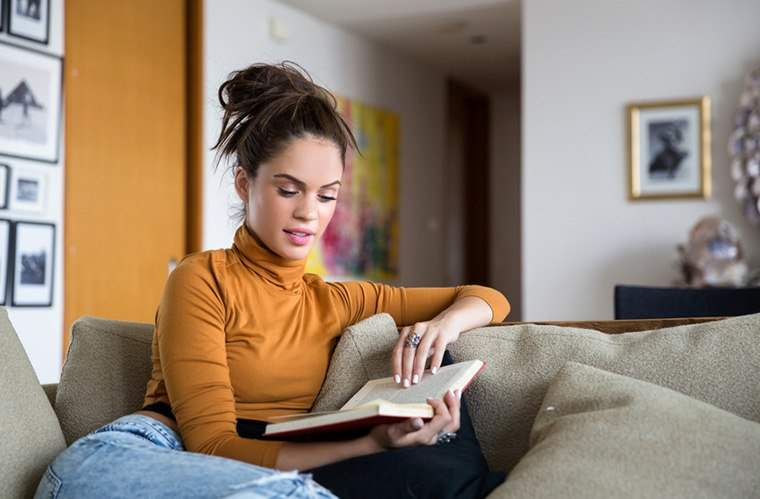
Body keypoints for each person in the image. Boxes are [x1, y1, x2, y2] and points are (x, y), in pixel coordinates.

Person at [34, 62, 510, 499]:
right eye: (288, 190)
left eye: (327, 196)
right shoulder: (202, 278)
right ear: (244, 184)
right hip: (136, 458)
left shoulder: (338, 301)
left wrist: (442, 327)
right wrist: (368, 445)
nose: (308, 212)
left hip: (266, 480)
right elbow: (214, 445)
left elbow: (487, 298)